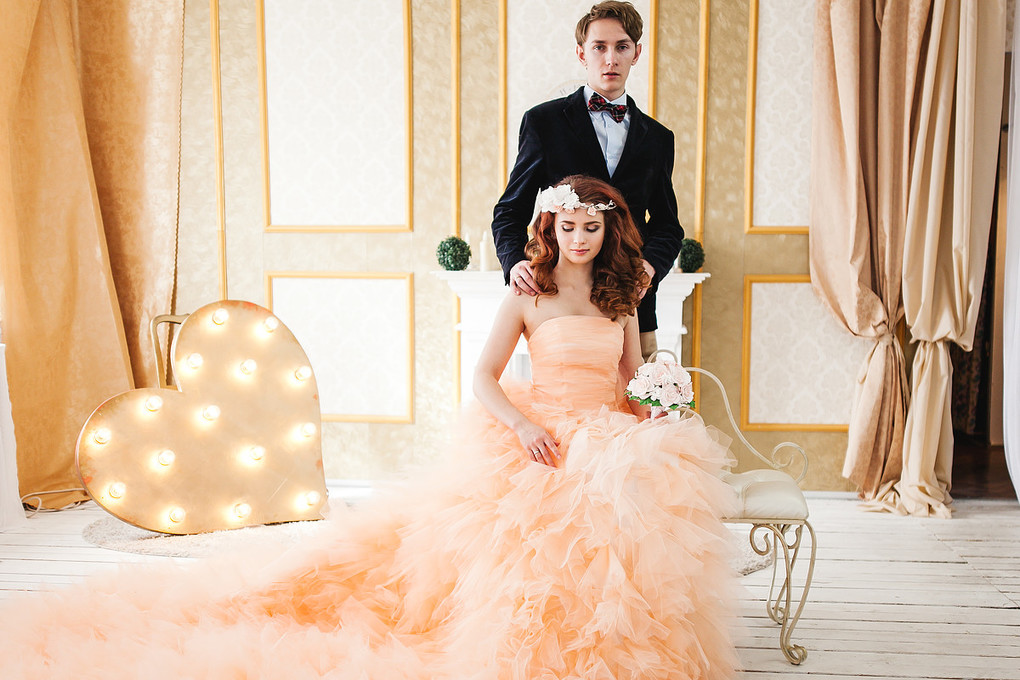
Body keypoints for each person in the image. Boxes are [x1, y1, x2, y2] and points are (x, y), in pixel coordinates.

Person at [0, 177, 737, 679]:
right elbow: (483, 378)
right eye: (567, 226)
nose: (579, 237)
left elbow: (630, 376)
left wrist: (658, 408)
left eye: (591, 227)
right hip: (539, 430)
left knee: (633, 517)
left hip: (604, 433)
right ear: (550, 227)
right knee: (527, 543)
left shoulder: (620, 298)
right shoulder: (527, 294)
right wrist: (519, 426)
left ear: (609, 231)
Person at [492, 1, 684, 361]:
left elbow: (668, 226)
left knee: (643, 395)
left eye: (621, 47)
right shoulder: (543, 122)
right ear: (582, 53)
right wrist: (514, 262)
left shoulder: (659, 138)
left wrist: (649, 268)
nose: (610, 59)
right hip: (557, 308)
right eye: (599, 47)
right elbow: (509, 210)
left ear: (636, 53)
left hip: (631, 305)